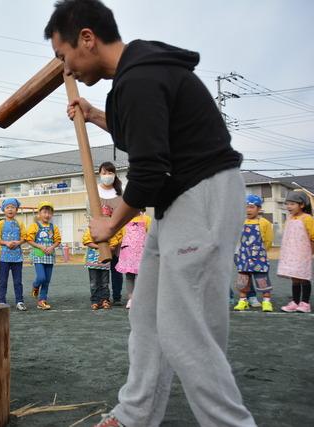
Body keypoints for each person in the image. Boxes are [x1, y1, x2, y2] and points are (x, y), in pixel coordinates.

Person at [45, 1, 256, 425]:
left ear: (87, 38)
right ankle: (134, 414)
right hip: (179, 201)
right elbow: (141, 133)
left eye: (64, 57)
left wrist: (110, 223)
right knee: (147, 316)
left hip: (201, 196)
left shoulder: (140, 77)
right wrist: (95, 115)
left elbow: (149, 170)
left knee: (186, 329)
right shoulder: (135, 76)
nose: (65, 69)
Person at [233, 195, 274, 312]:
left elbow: (268, 240)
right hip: (243, 255)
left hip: (259, 256)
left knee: (262, 279)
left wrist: (260, 252)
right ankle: (242, 301)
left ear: (259, 208)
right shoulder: (239, 222)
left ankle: (266, 302)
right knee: (243, 280)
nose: (248, 210)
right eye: (245, 207)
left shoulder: (264, 222)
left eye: (251, 207)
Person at [278, 191, 314, 313]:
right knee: (295, 278)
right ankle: (295, 302)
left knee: (303, 277)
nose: (288, 207)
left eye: (292, 204)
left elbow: (313, 237)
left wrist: (311, 252)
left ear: (302, 205)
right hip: (291, 253)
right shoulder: (290, 218)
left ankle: (305, 303)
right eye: (287, 204)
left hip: (303, 253)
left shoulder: (307, 218)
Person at [0, 198, 27, 310]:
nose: (10, 209)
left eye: (12, 207)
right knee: (3, 281)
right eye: (7, 207)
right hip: (4, 257)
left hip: (17, 257)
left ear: (16, 210)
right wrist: (6, 243)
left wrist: (18, 242)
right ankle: (1, 301)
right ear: (4, 210)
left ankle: (20, 301)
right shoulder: (0, 224)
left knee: (18, 281)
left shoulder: (19, 223)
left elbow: (25, 237)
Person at [98, 161, 125, 305]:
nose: (107, 176)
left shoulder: (120, 191)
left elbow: (125, 214)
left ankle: (117, 296)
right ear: (99, 174)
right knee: (101, 269)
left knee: (117, 269)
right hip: (101, 236)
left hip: (118, 235)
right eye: (104, 173)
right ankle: (103, 297)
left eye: (110, 173)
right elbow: (91, 214)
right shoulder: (94, 191)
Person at [26, 201, 61, 310]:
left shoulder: (53, 227)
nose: (47, 215)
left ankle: (42, 301)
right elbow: (29, 239)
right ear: (39, 214)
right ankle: (35, 286)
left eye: (49, 213)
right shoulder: (34, 226)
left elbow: (58, 240)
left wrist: (52, 247)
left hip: (50, 256)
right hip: (38, 256)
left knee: (47, 280)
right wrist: (40, 247)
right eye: (44, 212)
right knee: (41, 277)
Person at [114, 209, 151, 309]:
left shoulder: (147, 219)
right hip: (128, 252)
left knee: (141, 276)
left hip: (141, 251)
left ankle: (141, 298)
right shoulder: (124, 220)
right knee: (129, 276)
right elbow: (118, 235)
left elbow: (151, 235)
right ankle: (131, 298)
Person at [82, 225, 122, 310]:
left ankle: (105, 300)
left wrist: (108, 247)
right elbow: (86, 241)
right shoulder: (91, 228)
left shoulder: (108, 229)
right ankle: (95, 301)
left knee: (105, 282)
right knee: (94, 283)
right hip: (92, 261)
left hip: (105, 261)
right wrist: (101, 246)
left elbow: (114, 243)